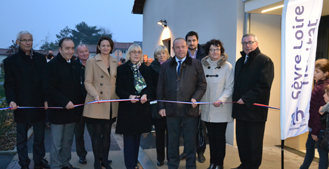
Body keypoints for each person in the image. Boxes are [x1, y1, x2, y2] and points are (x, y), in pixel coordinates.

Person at [157, 38, 207, 169]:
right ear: (173, 49)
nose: (180, 50)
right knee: (172, 142)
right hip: (171, 111)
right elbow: (160, 88)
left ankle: (191, 166)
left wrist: (196, 98)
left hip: (190, 111)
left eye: (183, 47)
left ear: (187, 48)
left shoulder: (196, 64)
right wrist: (161, 107)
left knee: (190, 143)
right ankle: (172, 165)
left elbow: (202, 85)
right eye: (177, 47)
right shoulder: (166, 65)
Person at [3, 31, 50, 169]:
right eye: (24, 40)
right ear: (18, 42)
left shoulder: (41, 59)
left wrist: (46, 99)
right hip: (20, 104)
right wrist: (11, 100)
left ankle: (39, 160)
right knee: (22, 137)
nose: (28, 42)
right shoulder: (10, 62)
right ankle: (23, 163)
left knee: (40, 136)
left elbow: (45, 82)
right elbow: (9, 85)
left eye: (30, 40)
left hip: (39, 103)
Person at [232, 34, 274, 169]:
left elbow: (264, 86)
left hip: (255, 112)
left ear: (256, 43)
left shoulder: (264, 61)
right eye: (244, 43)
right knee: (242, 141)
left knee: (253, 143)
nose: (247, 46)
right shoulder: (240, 62)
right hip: (240, 111)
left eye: (250, 42)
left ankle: (253, 166)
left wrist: (246, 99)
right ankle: (244, 164)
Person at [43, 37, 83, 169]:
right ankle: (55, 165)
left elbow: (77, 87)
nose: (70, 51)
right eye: (67, 48)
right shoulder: (51, 66)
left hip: (72, 111)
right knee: (57, 142)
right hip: (58, 111)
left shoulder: (75, 64)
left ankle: (65, 163)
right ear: (60, 49)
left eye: (72, 48)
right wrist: (64, 102)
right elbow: (48, 89)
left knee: (67, 141)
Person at [83, 36, 118, 169]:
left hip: (110, 103)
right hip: (96, 102)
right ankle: (97, 161)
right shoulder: (92, 61)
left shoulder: (114, 61)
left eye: (108, 45)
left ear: (111, 47)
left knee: (107, 134)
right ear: (98, 47)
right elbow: (88, 81)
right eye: (103, 45)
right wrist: (95, 94)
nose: (105, 48)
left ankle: (105, 160)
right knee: (97, 134)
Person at [115, 44, 153, 169]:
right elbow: (118, 89)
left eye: (139, 52)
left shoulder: (146, 69)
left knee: (137, 139)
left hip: (141, 109)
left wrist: (145, 95)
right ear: (129, 54)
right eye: (133, 52)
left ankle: (134, 162)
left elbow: (150, 87)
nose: (136, 54)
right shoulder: (122, 69)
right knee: (129, 139)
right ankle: (130, 165)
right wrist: (129, 96)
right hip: (127, 110)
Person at [200, 39, 234, 169]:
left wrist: (221, 99)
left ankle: (219, 164)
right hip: (207, 108)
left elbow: (229, 87)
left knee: (219, 138)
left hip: (221, 108)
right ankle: (212, 162)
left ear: (221, 50)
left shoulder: (228, 67)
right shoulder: (203, 65)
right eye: (212, 49)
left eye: (218, 49)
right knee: (211, 138)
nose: (215, 52)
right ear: (208, 51)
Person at [180, 31, 207, 163]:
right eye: (189, 41)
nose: (191, 43)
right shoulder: (182, 54)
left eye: (193, 40)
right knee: (187, 127)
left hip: (200, 94)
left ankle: (200, 152)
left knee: (200, 127)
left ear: (197, 41)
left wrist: (199, 98)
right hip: (186, 97)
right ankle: (186, 150)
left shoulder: (203, 55)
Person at [300, 58, 329, 169]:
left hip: (318, 127)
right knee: (316, 151)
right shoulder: (323, 85)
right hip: (320, 127)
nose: (314, 74)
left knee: (319, 152)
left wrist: (315, 131)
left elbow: (319, 112)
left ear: (326, 73)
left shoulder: (321, 89)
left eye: (317, 72)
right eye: (314, 71)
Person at [150, 45, 171, 166]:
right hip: (158, 106)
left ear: (167, 54)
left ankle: (170, 158)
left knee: (172, 136)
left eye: (164, 53)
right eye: (159, 53)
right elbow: (151, 87)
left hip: (171, 106)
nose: (162, 55)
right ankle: (160, 158)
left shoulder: (173, 66)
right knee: (159, 134)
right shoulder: (152, 68)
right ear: (156, 56)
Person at [74, 44, 89, 165]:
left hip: (92, 104)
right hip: (78, 105)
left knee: (96, 132)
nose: (84, 54)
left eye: (86, 51)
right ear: (77, 54)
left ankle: (100, 154)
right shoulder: (74, 66)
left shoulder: (93, 64)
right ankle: (82, 155)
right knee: (79, 133)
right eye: (81, 52)